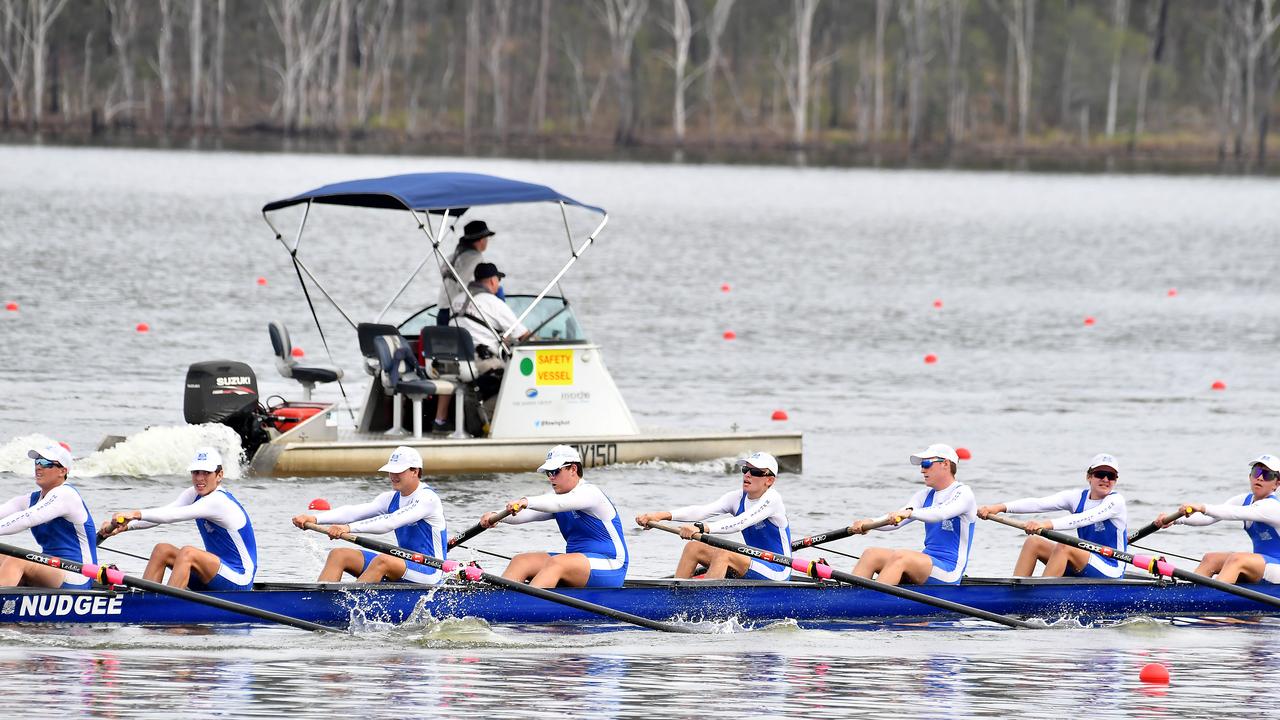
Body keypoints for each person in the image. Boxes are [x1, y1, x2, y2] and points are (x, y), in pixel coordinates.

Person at [98, 447, 257, 591]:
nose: (199, 478)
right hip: (213, 575)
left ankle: (166, 604)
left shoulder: (219, 501)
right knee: (162, 550)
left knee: (188, 553)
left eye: (206, 473)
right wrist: (126, 526)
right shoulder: (193, 493)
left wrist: (134, 514)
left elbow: (173, 516)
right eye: (196, 472)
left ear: (219, 475)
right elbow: (165, 512)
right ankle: (145, 601)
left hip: (238, 579)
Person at [291, 446, 448, 584]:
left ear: (415, 471)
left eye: (398, 471)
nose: (393, 475)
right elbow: (353, 512)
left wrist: (347, 528)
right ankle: (320, 602)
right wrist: (315, 518)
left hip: (430, 570)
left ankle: (348, 606)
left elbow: (390, 522)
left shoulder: (428, 499)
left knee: (382, 561)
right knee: (339, 554)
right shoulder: (390, 498)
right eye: (390, 470)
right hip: (404, 564)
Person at [478, 445, 628, 588]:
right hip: (578, 566)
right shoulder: (555, 499)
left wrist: (526, 501)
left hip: (611, 565)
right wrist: (496, 516)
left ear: (573, 469)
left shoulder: (590, 493)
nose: (551, 477)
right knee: (522, 561)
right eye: (548, 473)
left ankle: (523, 604)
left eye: (555, 471)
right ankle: (500, 602)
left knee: (557, 563)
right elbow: (525, 514)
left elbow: (558, 504)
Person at [635, 452, 791, 580]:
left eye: (755, 472)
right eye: (745, 469)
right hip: (751, 562)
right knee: (693, 547)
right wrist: (659, 515)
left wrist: (702, 528)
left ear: (769, 480)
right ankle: (675, 601)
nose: (748, 475)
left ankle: (707, 606)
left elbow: (740, 523)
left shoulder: (773, 499)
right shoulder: (736, 498)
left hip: (777, 569)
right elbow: (701, 511)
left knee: (724, 553)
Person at [977, 453, 1128, 578]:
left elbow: (1082, 519)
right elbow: (1038, 504)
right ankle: (1014, 593)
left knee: (1065, 546)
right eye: (1100, 474)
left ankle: (1041, 600)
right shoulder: (1076, 497)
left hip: (1111, 567)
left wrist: (1045, 524)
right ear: (1089, 477)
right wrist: (998, 507)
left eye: (1111, 476)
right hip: (1084, 562)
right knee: (1033, 542)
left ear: (1115, 480)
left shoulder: (1116, 501)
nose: (1106, 479)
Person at [848, 443, 976, 586]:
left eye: (926, 464)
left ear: (945, 464)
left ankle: (869, 602)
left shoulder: (963, 493)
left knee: (901, 556)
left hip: (949, 571)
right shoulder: (924, 495)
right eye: (921, 465)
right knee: (871, 554)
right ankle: (851, 600)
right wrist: (868, 523)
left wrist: (909, 513)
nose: (922, 470)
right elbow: (896, 522)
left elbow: (941, 513)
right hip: (926, 563)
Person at [432, 261, 533, 431]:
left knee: (456, 377)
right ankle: (492, 422)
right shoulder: (493, 303)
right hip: (479, 363)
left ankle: (440, 422)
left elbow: (471, 329)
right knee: (516, 378)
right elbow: (523, 335)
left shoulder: (457, 300)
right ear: (493, 281)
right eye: (498, 281)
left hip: (452, 362)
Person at [1151, 454, 1280, 584]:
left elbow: (1234, 513)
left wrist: (1202, 507)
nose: (1260, 477)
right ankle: (1187, 598)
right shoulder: (1244, 500)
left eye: (1267, 475)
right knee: (1211, 559)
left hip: (1277, 568)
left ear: (1277, 483)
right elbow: (1208, 518)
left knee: (1237, 559)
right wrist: (1175, 520)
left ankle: (1208, 600)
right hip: (1264, 566)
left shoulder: (1272, 507)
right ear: (1249, 476)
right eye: (1256, 472)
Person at [0, 443, 97, 588]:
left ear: (62, 471)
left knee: (17, 560)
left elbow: (28, 518)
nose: (38, 467)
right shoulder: (30, 499)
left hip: (77, 574)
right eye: (37, 462)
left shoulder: (66, 494)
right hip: (50, 568)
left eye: (46, 463)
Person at [435, 219, 494, 326]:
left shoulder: (452, 256)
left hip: (442, 310)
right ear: (481, 240)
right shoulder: (475, 257)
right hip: (456, 313)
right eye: (486, 238)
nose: (487, 241)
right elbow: (464, 286)